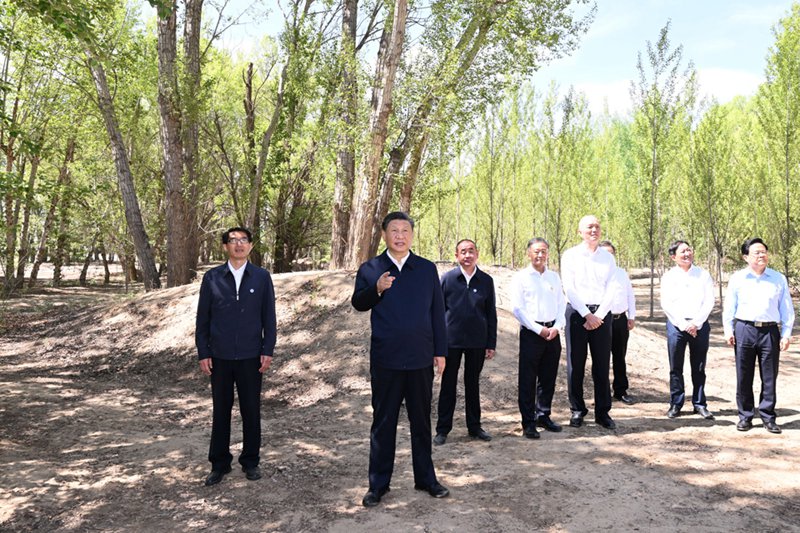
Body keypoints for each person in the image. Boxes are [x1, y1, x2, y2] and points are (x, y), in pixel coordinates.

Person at [352, 211, 449, 507]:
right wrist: (377, 289)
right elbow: (358, 303)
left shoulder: (425, 268)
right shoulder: (371, 268)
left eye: (405, 230)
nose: (400, 235)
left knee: (421, 422)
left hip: (420, 357)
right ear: (384, 235)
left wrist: (440, 351)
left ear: (412, 235)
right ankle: (378, 485)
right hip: (386, 359)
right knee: (384, 423)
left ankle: (426, 479)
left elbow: (437, 312)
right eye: (394, 230)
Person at [195, 227, 276, 486]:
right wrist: (203, 352)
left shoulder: (262, 277)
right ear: (225, 247)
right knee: (221, 411)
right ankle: (219, 464)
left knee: (251, 410)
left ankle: (250, 461)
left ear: (251, 246)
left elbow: (269, 319)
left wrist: (267, 349)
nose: (238, 245)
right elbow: (202, 319)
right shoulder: (212, 278)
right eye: (233, 241)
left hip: (252, 357)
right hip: (219, 357)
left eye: (243, 240)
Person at [723, 238, 795, 434]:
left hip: (770, 331)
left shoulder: (778, 278)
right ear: (746, 257)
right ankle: (745, 416)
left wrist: (786, 334)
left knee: (770, 376)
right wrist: (728, 330)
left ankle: (768, 417)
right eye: (756, 252)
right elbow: (729, 307)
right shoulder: (738, 278)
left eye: (764, 251)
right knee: (744, 375)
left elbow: (787, 309)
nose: (762, 255)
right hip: (744, 329)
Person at [434, 239, 497, 445]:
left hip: (477, 342)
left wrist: (491, 342)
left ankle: (475, 427)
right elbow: (437, 312)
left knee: (473, 384)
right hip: (451, 342)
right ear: (456, 256)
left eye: (471, 251)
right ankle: (443, 429)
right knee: (448, 384)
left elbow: (491, 314)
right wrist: (438, 344)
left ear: (477, 254)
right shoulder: (447, 279)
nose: (467, 255)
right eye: (463, 252)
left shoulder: (486, 280)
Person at [560, 215, 616, 430]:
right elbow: (570, 287)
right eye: (589, 227)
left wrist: (599, 315)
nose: (594, 230)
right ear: (580, 231)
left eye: (597, 227)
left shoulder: (608, 258)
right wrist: (586, 314)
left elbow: (612, 287)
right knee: (576, 364)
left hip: (602, 315)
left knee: (601, 365)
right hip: (577, 314)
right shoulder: (570, 256)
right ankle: (577, 410)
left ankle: (603, 413)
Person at [510, 238, 566, 439]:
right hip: (532, 334)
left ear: (548, 253)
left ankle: (544, 414)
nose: (540, 255)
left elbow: (561, 305)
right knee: (528, 379)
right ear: (528, 254)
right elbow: (517, 308)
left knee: (548, 377)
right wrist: (538, 329)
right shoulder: (521, 278)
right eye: (536, 251)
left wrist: (557, 327)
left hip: (553, 333)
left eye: (543, 251)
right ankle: (528, 421)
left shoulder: (554, 277)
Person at [659, 240, 715, 420]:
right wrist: (683, 325)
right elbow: (666, 303)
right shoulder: (668, 277)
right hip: (676, 326)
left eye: (689, 250)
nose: (687, 254)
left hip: (699, 325)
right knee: (676, 367)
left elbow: (709, 302)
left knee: (699, 367)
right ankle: (676, 403)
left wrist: (696, 323)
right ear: (673, 257)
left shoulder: (703, 275)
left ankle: (699, 403)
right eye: (682, 252)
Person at [600, 240, 636, 405]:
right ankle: (602, 393)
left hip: (620, 320)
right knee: (602, 358)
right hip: (601, 320)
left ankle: (620, 391)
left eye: (611, 253)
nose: (608, 256)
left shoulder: (621, 273)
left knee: (619, 356)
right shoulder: (596, 274)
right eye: (604, 253)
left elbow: (630, 295)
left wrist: (631, 316)